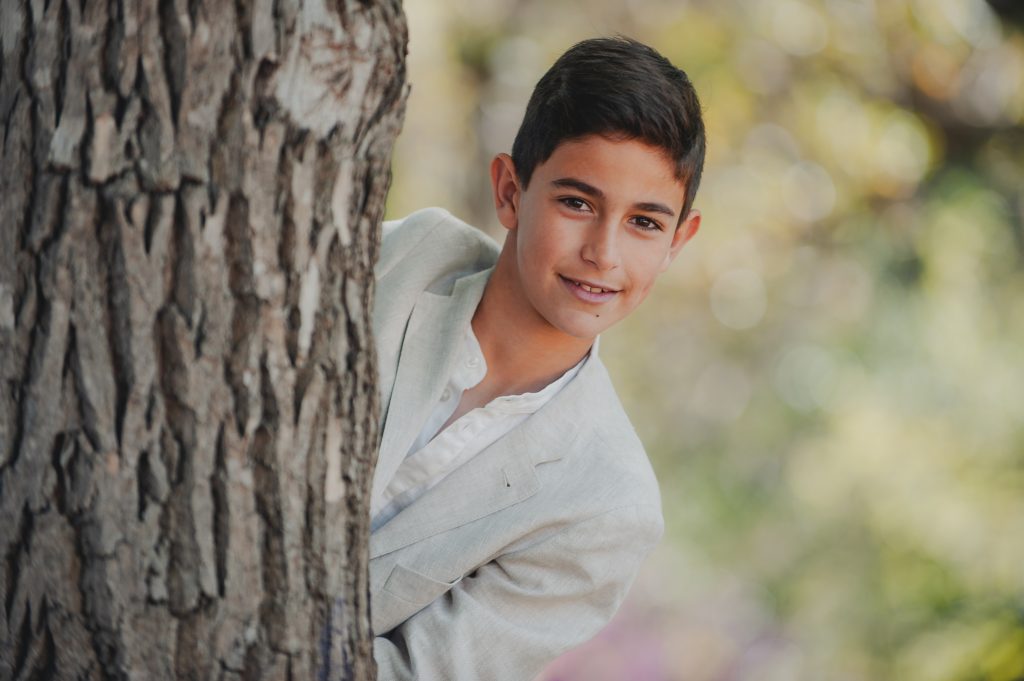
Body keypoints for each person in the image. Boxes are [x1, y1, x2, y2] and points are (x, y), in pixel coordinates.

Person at [369, 36, 705, 680]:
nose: (604, 253)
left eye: (644, 223)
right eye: (577, 203)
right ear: (510, 191)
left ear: (677, 241)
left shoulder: (605, 506)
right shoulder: (406, 260)